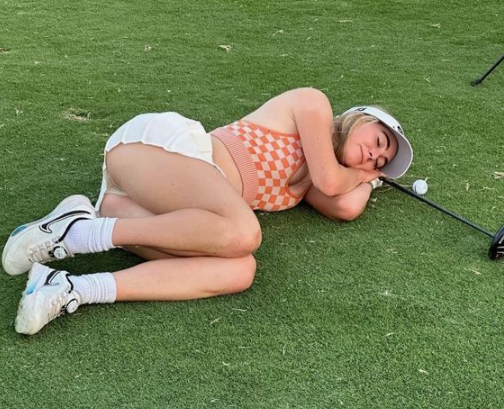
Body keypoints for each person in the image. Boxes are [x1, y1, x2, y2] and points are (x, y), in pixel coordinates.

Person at [2, 88, 413, 335]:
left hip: (134, 205)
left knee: (240, 270)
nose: (374, 156)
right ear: (359, 118)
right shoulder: (313, 104)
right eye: (378, 141)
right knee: (246, 233)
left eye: (381, 162)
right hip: (152, 154)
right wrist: (364, 174)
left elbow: (345, 206)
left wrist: (365, 178)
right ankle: (76, 233)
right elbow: (331, 181)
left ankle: (70, 288)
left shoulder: (311, 184)